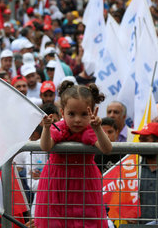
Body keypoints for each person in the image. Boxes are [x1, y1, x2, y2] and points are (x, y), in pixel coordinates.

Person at [35, 81, 112, 227]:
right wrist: (46, 128)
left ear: (92, 112)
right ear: (62, 113)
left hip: (84, 182)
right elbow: (46, 146)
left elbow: (106, 149)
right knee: (55, 221)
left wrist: (98, 129)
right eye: (72, 114)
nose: (77, 119)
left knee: (86, 220)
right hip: (56, 182)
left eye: (84, 114)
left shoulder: (90, 130)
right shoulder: (60, 128)